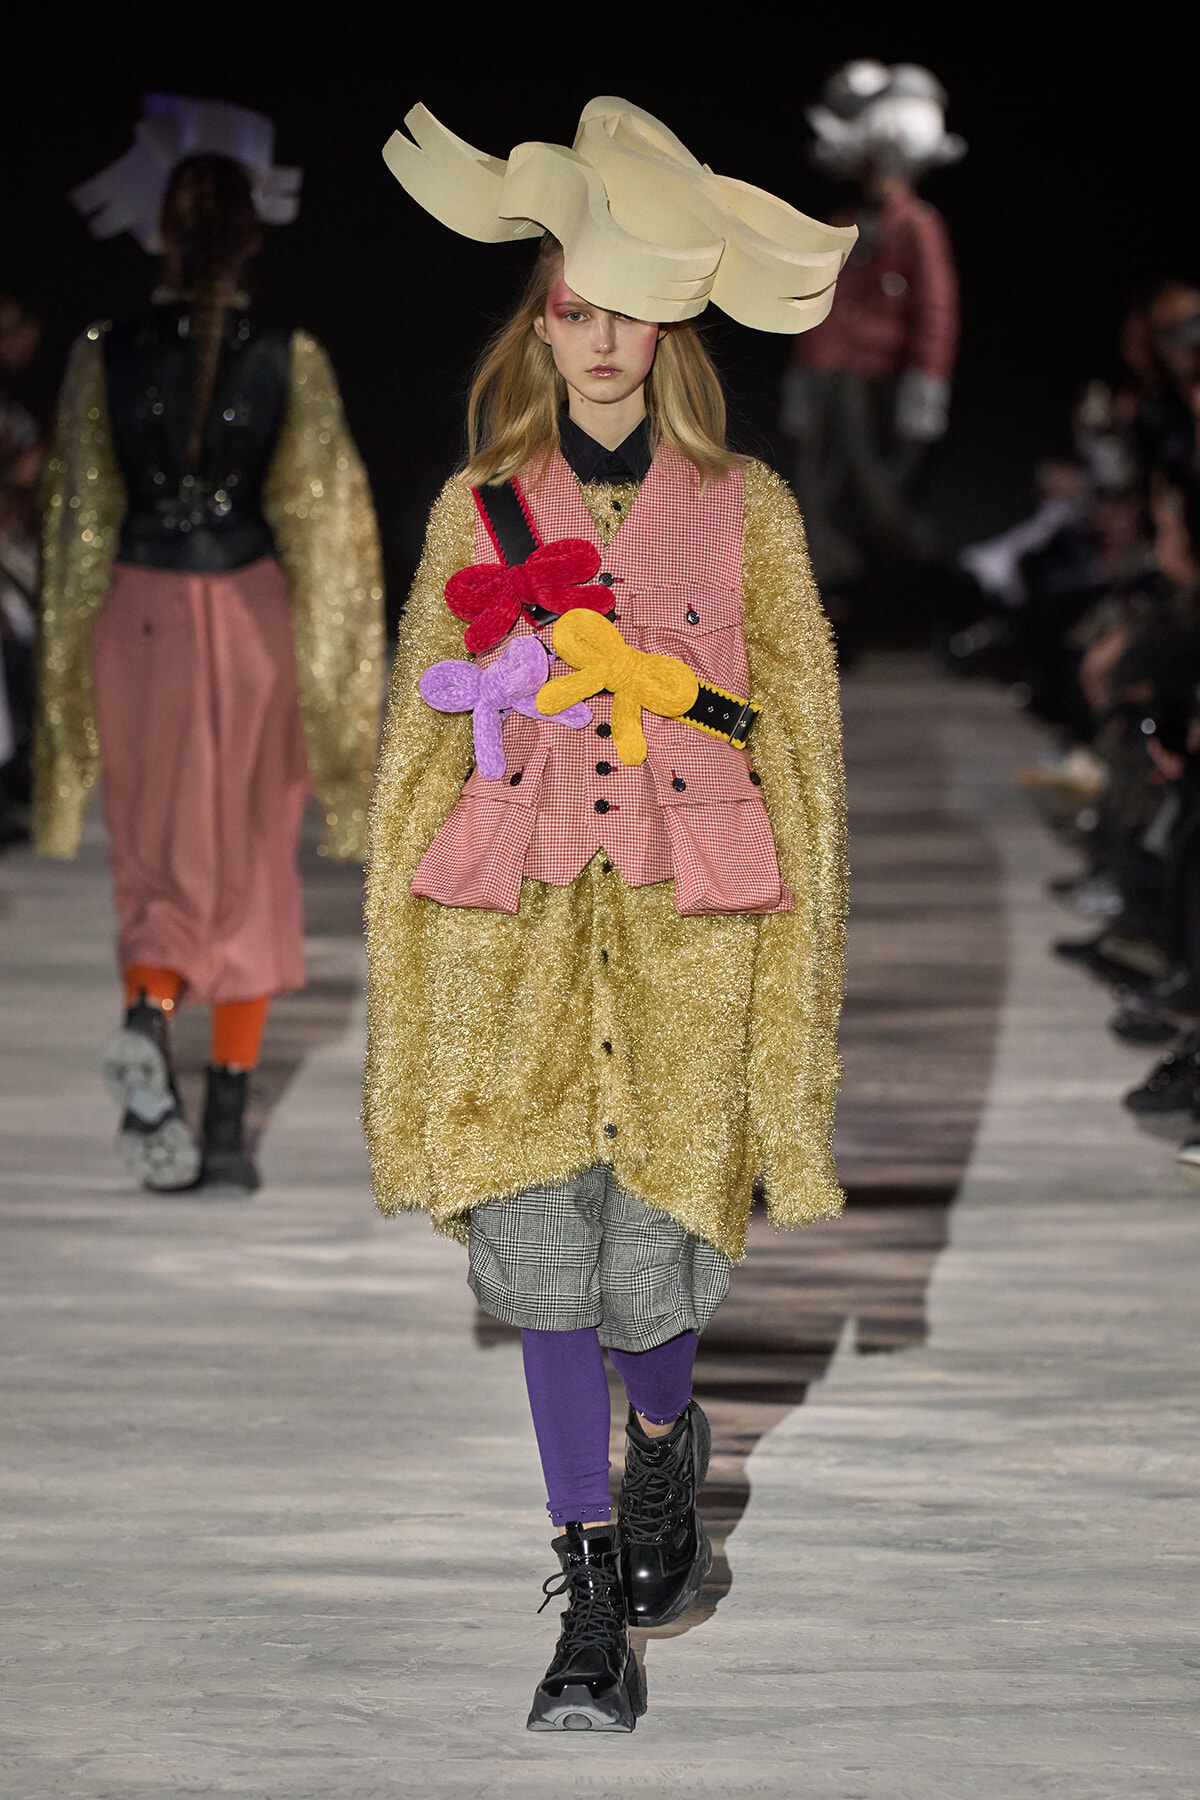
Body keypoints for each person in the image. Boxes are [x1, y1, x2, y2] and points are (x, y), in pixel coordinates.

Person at [365, 100, 851, 1731]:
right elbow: (412, 777)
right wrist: (404, 1024)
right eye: (569, 306)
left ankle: (666, 1438)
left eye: (624, 305)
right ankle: (583, 1598)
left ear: (673, 319)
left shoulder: (751, 511)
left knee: (654, 1293)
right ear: (540, 321)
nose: (596, 338)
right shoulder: (477, 506)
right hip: (510, 938)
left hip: (691, 937)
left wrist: (797, 1027)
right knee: (548, 1281)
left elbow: (812, 775)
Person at [36, 98, 383, 1193]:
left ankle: (150, 1010)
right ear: (253, 240)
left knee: (156, 859)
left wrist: (64, 696)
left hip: (137, 621)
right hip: (246, 618)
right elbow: (329, 527)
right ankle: (227, 1134)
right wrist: (342, 699)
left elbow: (78, 520)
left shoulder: (106, 356)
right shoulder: (291, 353)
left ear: (159, 238)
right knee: (251, 871)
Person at [781, 61, 963, 647]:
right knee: (824, 498)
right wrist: (804, 389)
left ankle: (915, 609)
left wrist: (925, 390)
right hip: (836, 386)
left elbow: (936, 311)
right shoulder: (845, 225)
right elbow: (818, 311)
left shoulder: (918, 227)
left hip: (880, 391)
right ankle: (842, 616)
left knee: (885, 502)